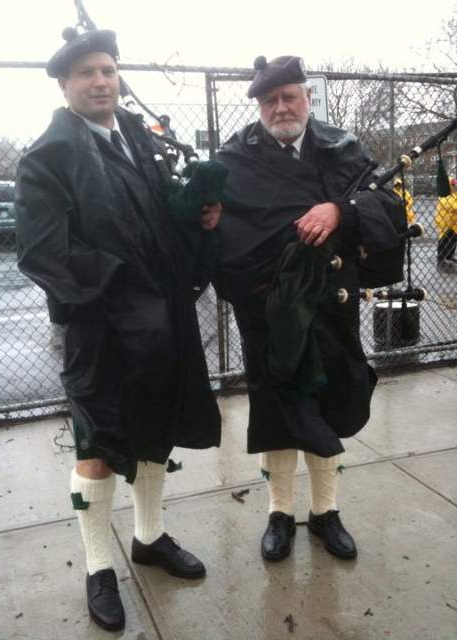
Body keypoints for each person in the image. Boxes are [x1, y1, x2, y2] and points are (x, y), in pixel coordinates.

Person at [15, 28, 223, 632]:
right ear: (64, 84)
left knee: (155, 427)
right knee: (100, 448)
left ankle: (149, 537)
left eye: (108, 70)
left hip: (165, 322)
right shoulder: (47, 156)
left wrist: (199, 215)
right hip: (102, 329)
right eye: (87, 73)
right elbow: (42, 253)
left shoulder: (137, 137)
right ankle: (99, 566)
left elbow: (161, 217)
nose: (101, 81)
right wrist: (124, 284)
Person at [215, 56, 405, 564]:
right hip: (268, 312)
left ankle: (326, 512)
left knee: (328, 405)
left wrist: (341, 210)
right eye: (270, 100)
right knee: (279, 411)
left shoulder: (342, 147)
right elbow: (220, 234)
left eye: (290, 97)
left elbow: (387, 205)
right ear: (258, 105)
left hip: (331, 306)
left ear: (307, 98)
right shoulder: (234, 158)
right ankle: (280, 512)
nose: (281, 107)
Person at [435, 176, 457, 274]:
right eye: (452, 185)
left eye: (454, 185)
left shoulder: (453, 195)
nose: (454, 187)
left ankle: (449, 257)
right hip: (445, 224)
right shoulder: (443, 197)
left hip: (453, 224)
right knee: (444, 241)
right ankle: (441, 260)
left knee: (452, 242)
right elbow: (452, 206)